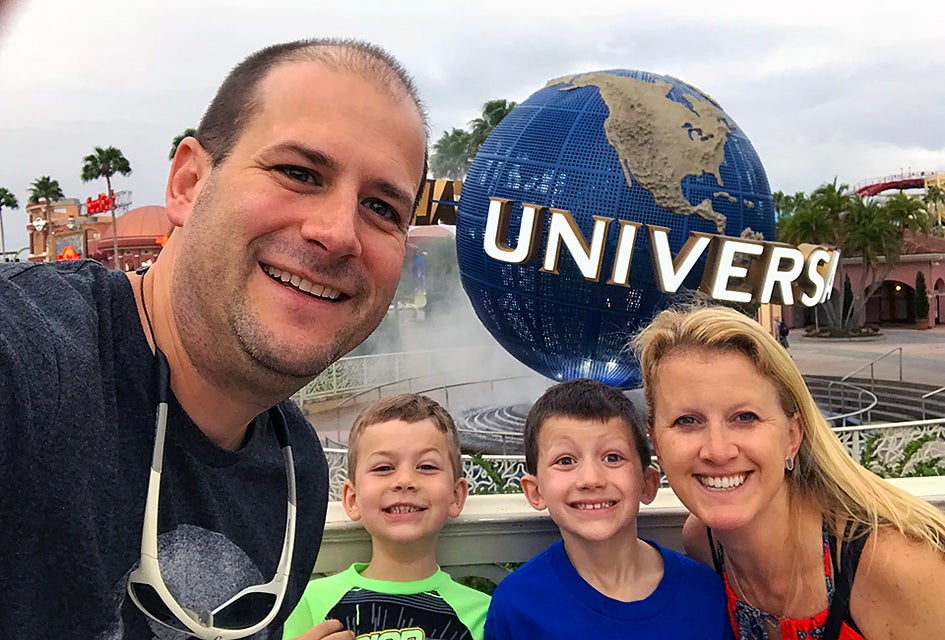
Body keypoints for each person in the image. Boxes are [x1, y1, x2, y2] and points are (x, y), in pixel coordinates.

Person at [0, 38, 427, 640]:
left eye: (381, 208)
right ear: (189, 182)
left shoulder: (294, 465)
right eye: (299, 173)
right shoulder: (33, 360)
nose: (337, 234)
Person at [632, 305, 945, 640]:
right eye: (687, 421)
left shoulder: (895, 564)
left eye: (745, 417)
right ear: (657, 446)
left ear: (792, 437)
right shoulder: (705, 542)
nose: (718, 451)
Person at [484, 378, 732, 639]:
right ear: (535, 492)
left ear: (647, 484)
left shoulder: (705, 594)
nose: (591, 479)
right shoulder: (517, 605)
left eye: (612, 457)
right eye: (565, 460)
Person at [283, 393, 491, 640]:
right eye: (384, 468)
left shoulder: (484, 614)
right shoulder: (309, 602)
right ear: (352, 499)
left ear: (456, 496)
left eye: (426, 466)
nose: (405, 481)